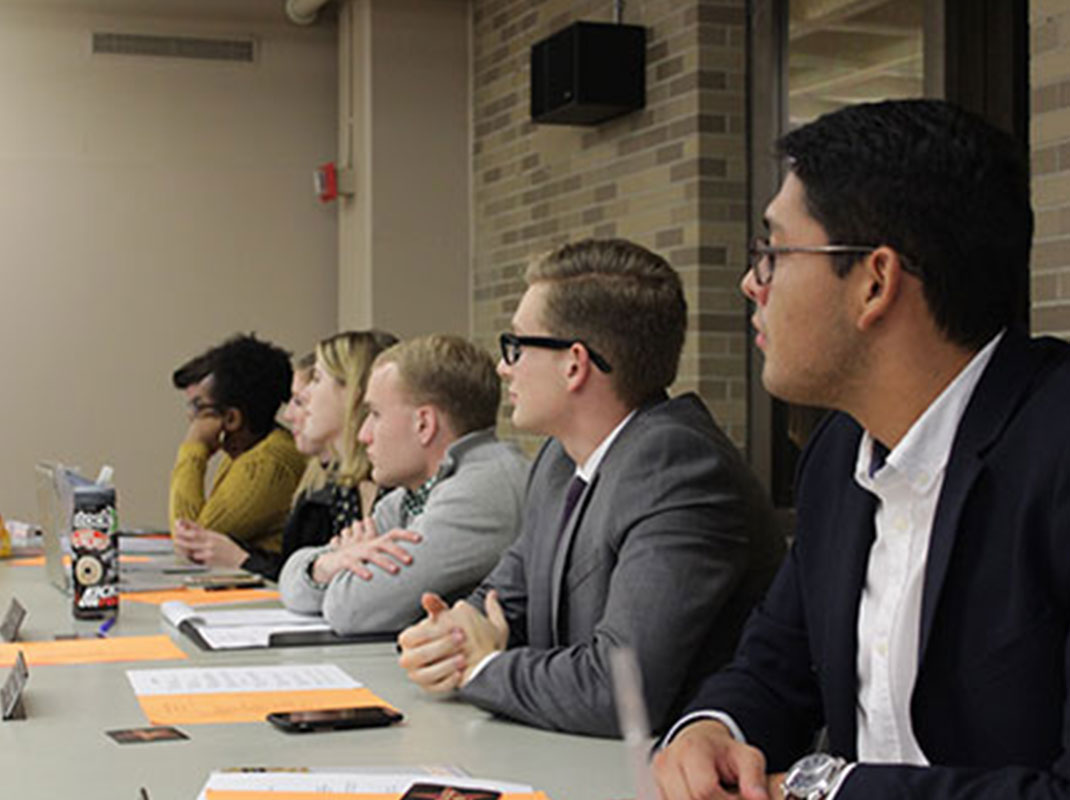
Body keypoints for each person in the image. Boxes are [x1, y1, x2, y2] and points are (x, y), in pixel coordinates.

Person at [652, 99, 1067, 800]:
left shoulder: (1053, 447)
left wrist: (825, 789)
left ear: (875, 281)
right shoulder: (841, 452)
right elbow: (773, 664)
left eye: (774, 253)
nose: (751, 283)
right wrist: (711, 728)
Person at [396, 238, 783, 737]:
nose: (503, 367)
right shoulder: (560, 459)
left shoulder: (677, 465)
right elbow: (500, 599)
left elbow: (618, 691)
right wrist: (448, 638)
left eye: (515, 345)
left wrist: (481, 669)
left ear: (574, 364)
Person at [280, 334, 530, 634]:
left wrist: (337, 569)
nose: (363, 434)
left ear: (424, 424)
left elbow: (352, 608)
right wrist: (327, 564)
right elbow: (291, 581)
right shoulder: (404, 498)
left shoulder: (484, 490)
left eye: (374, 414)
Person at [177, 331, 397, 581]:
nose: (291, 413)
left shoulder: (272, 459)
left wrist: (193, 448)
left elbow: (192, 535)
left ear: (354, 394)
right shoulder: (338, 482)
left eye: (316, 379)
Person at [170, 333, 306, 562]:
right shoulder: (247, 452)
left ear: (232, 418)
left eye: (198, 407)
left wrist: (193, 448)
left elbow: (191, 542)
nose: (191, 418)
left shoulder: (268, 463)